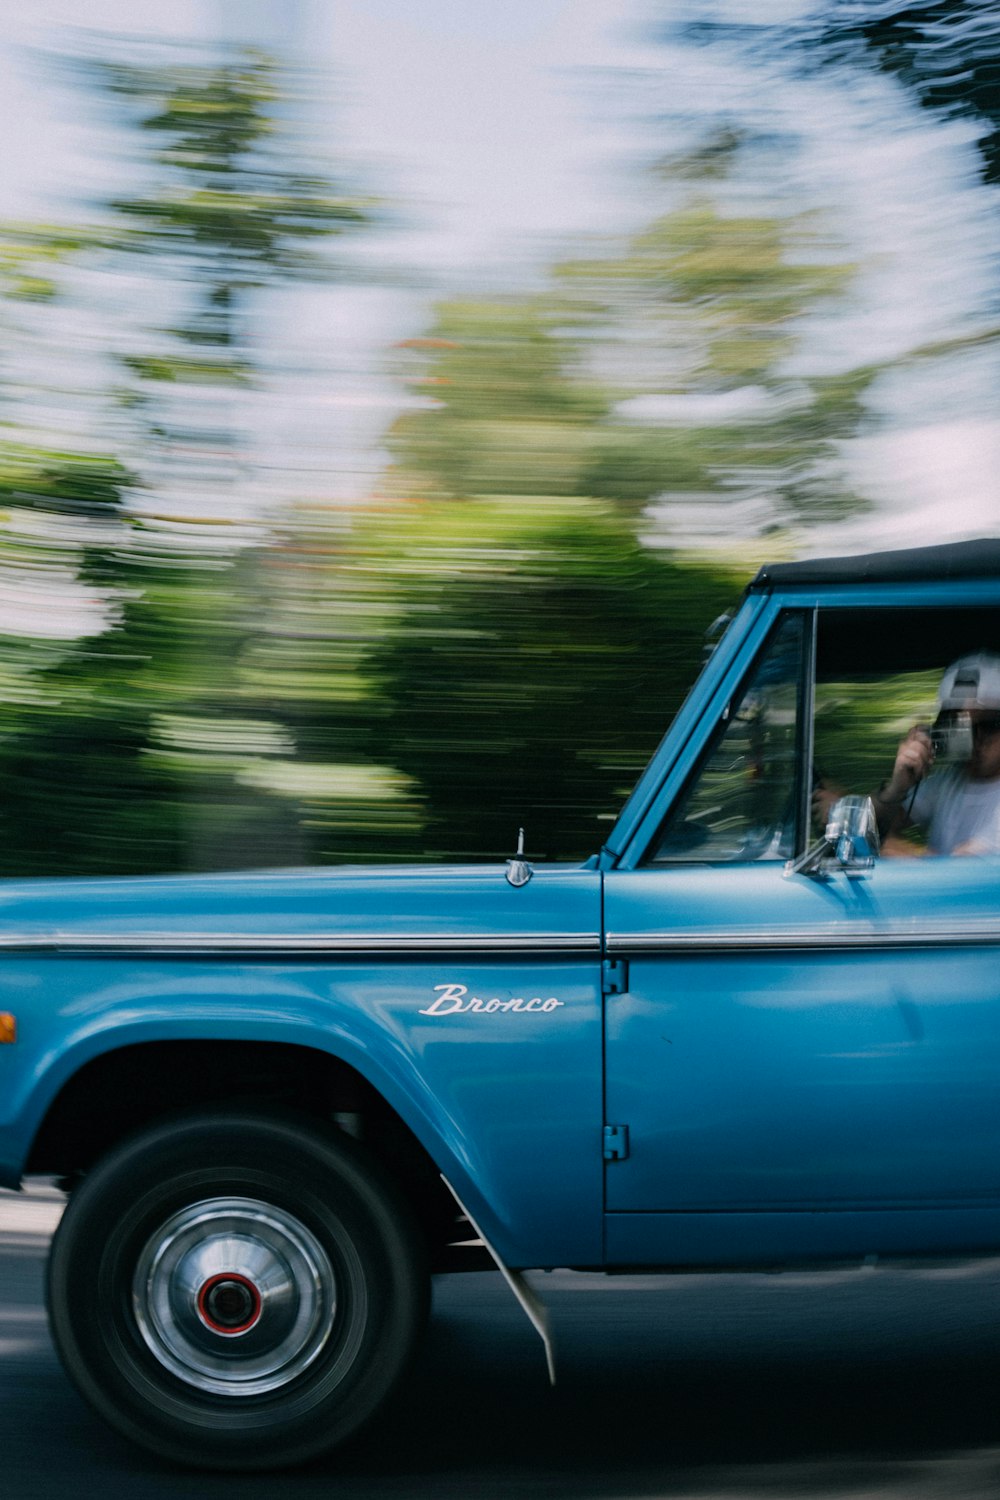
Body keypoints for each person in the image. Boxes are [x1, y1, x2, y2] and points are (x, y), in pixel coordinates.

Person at [871, 652, 1000, 855]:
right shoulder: (949, 781)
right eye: (961, 726)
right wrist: (897, 786)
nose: (976, 738)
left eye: (991, 724)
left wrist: (863, 839)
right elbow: (881, 822)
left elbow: (959, 874)